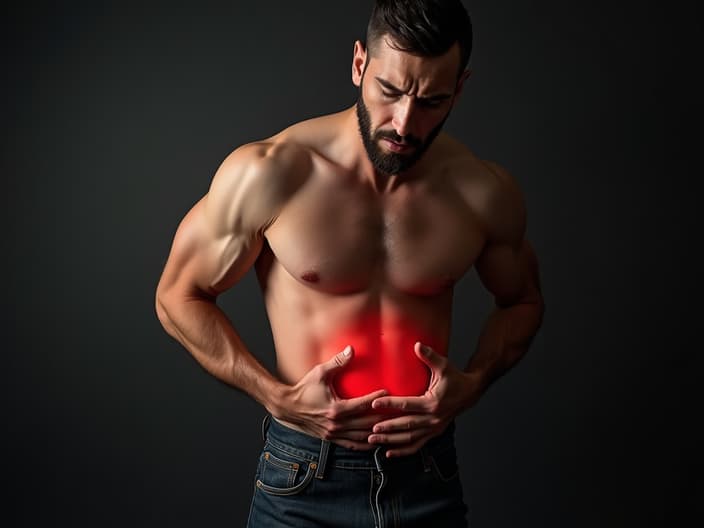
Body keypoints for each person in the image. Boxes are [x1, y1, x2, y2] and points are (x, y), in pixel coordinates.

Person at [155, 0, 544, 526]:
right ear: (360, 64)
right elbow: (177, 296)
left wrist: (473, 383)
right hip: (304, 475)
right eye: (390, 91)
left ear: (460, 88)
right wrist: (274, 395)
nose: (405, 122)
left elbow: (522, 301)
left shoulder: (481, 191)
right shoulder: (274, 172)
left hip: (427, 473)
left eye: (432, 100)